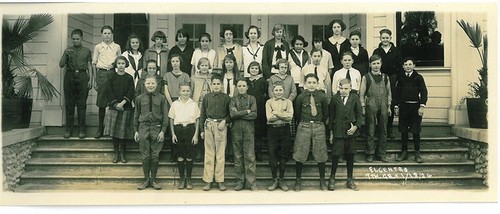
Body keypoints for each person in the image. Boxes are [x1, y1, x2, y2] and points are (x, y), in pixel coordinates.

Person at [293, 73, 329, 191]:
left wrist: (319, 122)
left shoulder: (322, 97)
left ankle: (322, 180)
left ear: (318, 84)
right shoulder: (301, 97)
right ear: (305, 84)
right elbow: (297, 114)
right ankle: (298, 180)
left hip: (318, 126)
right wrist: (305, 123)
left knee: (321, 153)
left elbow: (325, 113)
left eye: (314, 82)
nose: (312, 85)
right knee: (300, 152)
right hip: (304, 125)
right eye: (309, 82)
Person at [134, 74, 169, 190]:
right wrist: (136, 131)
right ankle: (146, 180)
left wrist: (163, 131)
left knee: (155, 155)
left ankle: (153, 180)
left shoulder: (162, 98)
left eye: (152, 83)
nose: (150, 85)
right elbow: (136, 115)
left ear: (157, 84)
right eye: (148, 83)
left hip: (156, 128)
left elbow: (165, 115)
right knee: (145, 155)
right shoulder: (139, 98)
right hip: (143, 128)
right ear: (144, 84)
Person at [328, 78, 362, 191]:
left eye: (346, 88)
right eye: (341, 88)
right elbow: (331, 116)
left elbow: (359, 115)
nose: (343, 90)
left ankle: (350, 179)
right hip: (338, 132)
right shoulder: (334, 99)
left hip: (350, 131)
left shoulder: (355, 98)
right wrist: (331, 133)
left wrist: (355, 127)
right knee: (336, 155)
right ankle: (332, 178)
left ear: (350, 88)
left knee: (350, 155)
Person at [200, 74, 231, 191]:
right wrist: (202, 130)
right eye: (214, 84)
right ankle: (208, 180)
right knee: (209, 154)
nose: (216, 86)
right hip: (209, 125)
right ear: (211, 85)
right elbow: (202, 114)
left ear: (222, 85)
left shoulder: (226, 98)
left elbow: (230, 114)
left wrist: (225, 121)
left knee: (220, 154)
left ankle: (220, 180)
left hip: (221, 126)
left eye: (218, 84)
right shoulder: (207, 97)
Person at [59, 29, 92, 139]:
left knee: (82, 104)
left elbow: (89, 66)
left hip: (83, 77)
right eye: (73, 39)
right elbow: (61, 64)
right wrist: (65, 54)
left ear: (82, 39)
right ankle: (69, 130)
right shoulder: (68, 50)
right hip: (70, 77)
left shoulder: (87, 51)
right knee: (70, 104)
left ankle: (82, 130)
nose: (75, 41)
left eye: (77, 39)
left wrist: (91, 80)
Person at [394, 58, 428, 163]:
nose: (408, 66)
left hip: (415, 107)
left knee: (415, 131)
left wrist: (422, 106)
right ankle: (404, 152)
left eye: (410, 64)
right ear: (403, 66)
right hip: (404, 107)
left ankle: (417, 153)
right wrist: (396, 106)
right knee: (404, 131)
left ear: (414, 65)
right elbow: (397, 93)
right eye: (405, 64)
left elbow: (424, 92)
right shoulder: (400, 77)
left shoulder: (418, 77)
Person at [359, 54, 391, 163]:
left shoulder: (386, 77)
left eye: (378, 63)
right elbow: (361, 94)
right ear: (370, 65)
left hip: (383, 104)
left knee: (383, 130)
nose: (376, 66)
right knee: (370, 129)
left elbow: (389, 93)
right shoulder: (366, 77)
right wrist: (363, 106)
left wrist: (389, 106)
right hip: (371, 103)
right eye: (374, 64)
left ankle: (381, 153)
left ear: (381, 64)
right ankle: (370, 153)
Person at [372, 29, 403, 139]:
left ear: (390, 38)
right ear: (380, 38)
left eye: (387, 37)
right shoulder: (377, 51)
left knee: (390, 103)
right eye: (383, 37)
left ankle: (389, 129)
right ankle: (379, 128)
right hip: (379, 78)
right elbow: (373, 65)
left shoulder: (396, 51)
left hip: (393, 78)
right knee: (379, 102)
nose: (385, 39)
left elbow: (400, 66)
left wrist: (399, 79)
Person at [103, 56, 135, 163]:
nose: (121, 65)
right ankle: (116, 152)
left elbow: (131, 92)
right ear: (116, 65)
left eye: (122, 63)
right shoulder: (111, 77)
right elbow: (109, 91)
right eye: (119, 63)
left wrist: (123, 103)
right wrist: (116, 103)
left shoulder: (129, 78)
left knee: (123, 132)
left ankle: (122, 153)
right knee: (115, 133)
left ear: (126, 65)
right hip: (114, 107)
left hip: (125, 107)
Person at [169, 82, 200, 190]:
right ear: (179, 91)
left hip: (190, 130)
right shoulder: (175, 104)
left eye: (187, 91)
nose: (185, 93)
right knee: (180, 155)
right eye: (183, 91)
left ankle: (189, 179)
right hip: (178, 130)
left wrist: (196, 135)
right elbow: (171, 119)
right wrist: (173, 134)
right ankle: (182, 179)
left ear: (190, 92)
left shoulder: (194, 104)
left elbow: (197, 120)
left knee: (189, 155)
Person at [92, 25, 121, 139]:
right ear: (101, 34)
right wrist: (95, 80)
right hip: (102, 74)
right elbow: (94, 64)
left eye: (109, 33)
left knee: (114, 101)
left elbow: (120, 62)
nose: (107, 35)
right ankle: (100, 128)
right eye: (105, 33)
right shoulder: (98, 47)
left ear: (112, 34)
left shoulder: (117, 47)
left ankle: (112, 129)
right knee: (102, 103)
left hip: (113, 73)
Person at [230, 79, 258, 191]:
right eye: (239, 86)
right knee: (237, 156)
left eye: (243, 86)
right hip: (236, 129)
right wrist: (247, 111)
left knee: (250, 156)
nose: (241, 88)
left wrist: (239, 114)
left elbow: (254, 114)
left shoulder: (252, 99)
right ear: (236, 87)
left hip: (248, 129)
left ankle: (251, 182)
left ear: (247, 87)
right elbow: (232, 114)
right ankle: (240, 182)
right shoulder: (233, 100)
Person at [265, 82, 293, 191]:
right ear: (273, 91)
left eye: (280, 90)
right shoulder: (269, 102)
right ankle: (274, 180)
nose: (278, 92)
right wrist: (283, 114)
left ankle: (281, 179)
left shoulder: (288, 102)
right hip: (272, 130)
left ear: (284, 91)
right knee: (272, 154)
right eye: (276, 90)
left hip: (284, 129)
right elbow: (269, 117)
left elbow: (290, 117)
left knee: (283, 155)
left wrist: (276, 113)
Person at [190, 57, 212, 162]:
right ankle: (198, 153)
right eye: (202, 65)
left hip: (209, 105)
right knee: (197, 127)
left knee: (208, 128)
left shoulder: (212, 77)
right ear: (198, 66)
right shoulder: (194, 78)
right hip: (197, 104)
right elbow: (191, 91)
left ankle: (207, 153)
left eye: (206, 65)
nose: (204, 67)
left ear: (209, 67)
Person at [245, 61, 268, 161]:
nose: (254, 70)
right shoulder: (245, 80)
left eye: (256, 68)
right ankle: (249, 153)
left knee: (258, 132)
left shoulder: (262, 81)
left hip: (260, 108)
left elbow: (266, 94)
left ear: (259, 70)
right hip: (248, 108)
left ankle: (258, 152)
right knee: (249, 131)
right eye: (252, 68)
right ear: (249, 69)